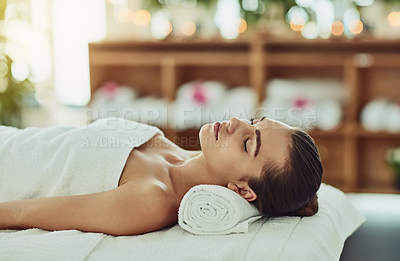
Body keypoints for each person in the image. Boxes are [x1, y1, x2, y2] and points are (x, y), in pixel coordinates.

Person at [0, 117, 323, 236]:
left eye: (247, 143)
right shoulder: (169, 148)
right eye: (254, 122)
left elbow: (22, 212)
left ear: (242, 190)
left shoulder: (152, 200)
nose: (236, 122)